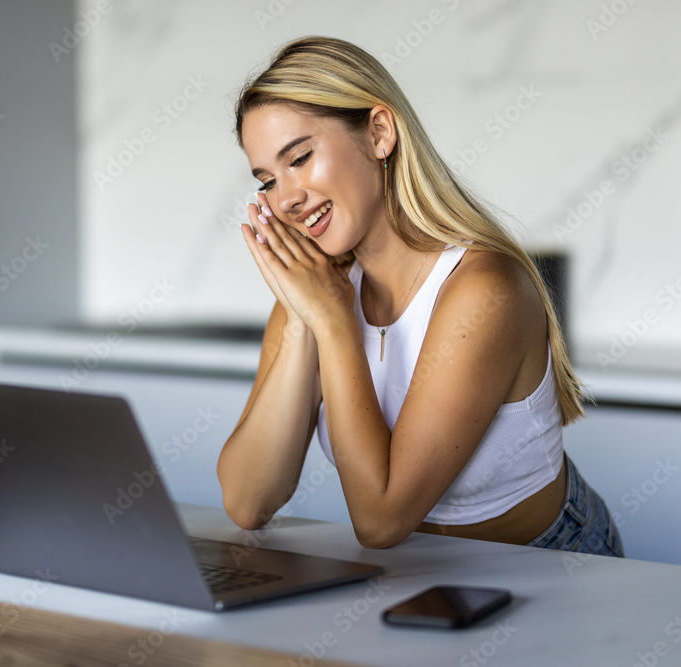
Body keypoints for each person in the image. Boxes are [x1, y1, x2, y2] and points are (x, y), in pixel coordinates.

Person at [217, 36, 624, 556]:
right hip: (417, 574)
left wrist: (334, 322)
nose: (287, 198)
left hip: (549, 563)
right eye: (267, 181)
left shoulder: (484, 290)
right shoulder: (316, 294)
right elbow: (249, 502)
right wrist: (304, 319)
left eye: (299, 157)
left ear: (379, 133)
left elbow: (381, 521)